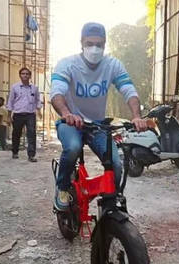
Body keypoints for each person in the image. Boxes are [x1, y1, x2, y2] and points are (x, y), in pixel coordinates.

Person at [50, 22, 147, 211]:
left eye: (99, 44)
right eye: (89, 43)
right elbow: (56, 93)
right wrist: (67, 113)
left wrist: (136, 116)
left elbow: (128, 90)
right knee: (73, 148)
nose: (94, 48)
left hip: (97, 125)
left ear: (105, 45)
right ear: (81, 43)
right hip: (71, 122)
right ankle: (61, 188)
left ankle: (110, 203)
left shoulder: (112, 65)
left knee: (116, 165)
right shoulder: (67, 64)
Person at [6, 67, 42, 162]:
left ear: (30, 76)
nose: (25, 75)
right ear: (20, 75)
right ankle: (15, 152)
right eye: (23, 73)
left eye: (27, 74)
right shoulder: (15, 87)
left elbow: (38, 100)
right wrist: (9, 116)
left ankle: (31, 155)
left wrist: (39, 111)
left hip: (30, 114)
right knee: (16, 134)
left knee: (31, 134)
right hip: (18, 114)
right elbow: (10, 101)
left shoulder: (34, 88)